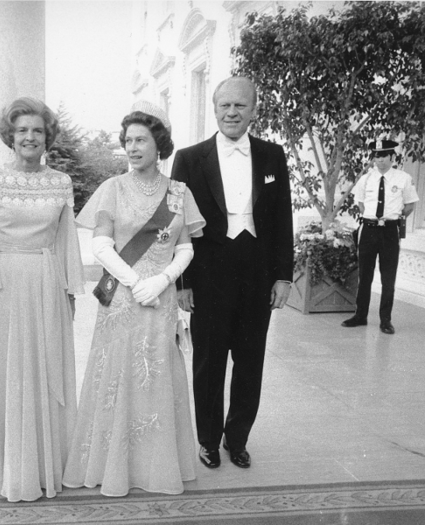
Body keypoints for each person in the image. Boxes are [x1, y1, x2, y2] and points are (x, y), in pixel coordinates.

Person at [63, 101, 205, 496]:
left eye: (141, 139)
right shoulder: (112, 188)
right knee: (119, 375)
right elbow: (101, 245)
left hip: (160, 300)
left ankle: (156, 466)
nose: (133, 147)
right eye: (128, 140)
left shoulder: (179, 193)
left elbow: (186, 247)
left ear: (159, 143)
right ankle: (113, 466)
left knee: (157, 373)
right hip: (122, 300)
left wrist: (161, 281)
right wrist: (132, 280)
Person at [0, 97, 85, 502]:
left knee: (46, 369)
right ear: (10, 138)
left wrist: (69, 291)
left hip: (47, 282)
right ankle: (13, 469)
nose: (30, 137)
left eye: (37, 130)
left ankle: (48, 466)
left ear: (48, 137)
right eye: (22, 131)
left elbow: (66, 240)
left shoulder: (60, 182)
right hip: (4, 285)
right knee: (8, 372)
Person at [171, 76, 293, 470]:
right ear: (214, 108)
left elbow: (282, 219)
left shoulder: (273, 155)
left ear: (254, 110)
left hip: (257, 274)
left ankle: (236, 438)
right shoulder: (189, 159)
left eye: (240, 105)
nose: (231, 112)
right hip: (207, 275)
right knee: (208, 362)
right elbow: (176, 223)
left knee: (250, 361)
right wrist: (182, 282)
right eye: (224, 105)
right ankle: (207, 440)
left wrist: (283, 276)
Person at [341, 139, 419, 334]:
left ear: (392, 157)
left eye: (384, 156)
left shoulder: (403, 178)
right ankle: (360, 316)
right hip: (369, 230)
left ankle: (385, 320)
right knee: (364, 275)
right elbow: (360, 204)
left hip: (389, 232)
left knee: (388, 278)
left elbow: (410, 205)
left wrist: (392, 220)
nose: (380, 160)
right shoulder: (366, 179)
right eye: (376, 156)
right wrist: (372, 220)